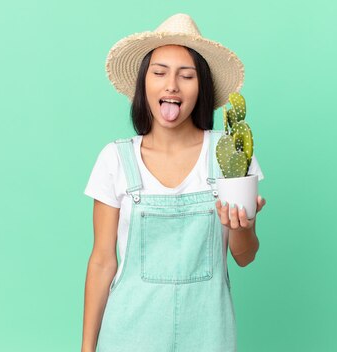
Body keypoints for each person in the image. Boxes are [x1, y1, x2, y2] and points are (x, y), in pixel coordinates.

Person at [82, 13, 266, 352]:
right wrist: (86, 349)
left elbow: (245, 256)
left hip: (208, 334)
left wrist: (242, 227)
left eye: (187, 75)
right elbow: (102, 260)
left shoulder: (232, 154)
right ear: (144, 84)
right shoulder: (114, 160)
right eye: (159, 72)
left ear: (202, 87)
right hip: (128, 334)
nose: (172, 85)